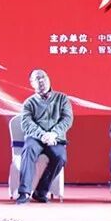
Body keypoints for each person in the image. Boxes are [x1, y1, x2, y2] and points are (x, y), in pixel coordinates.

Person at [15, 69, 73, 204]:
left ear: (48, 78)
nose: (41, 80)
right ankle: (24, 192)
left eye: (43, 77)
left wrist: (53, 133)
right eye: (37, 78)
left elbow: (67, 119)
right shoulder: (29, 103)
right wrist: (42, 135)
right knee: (28, 150)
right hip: (36, 138)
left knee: (60, 157)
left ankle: (40, 192)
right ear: (32, 83)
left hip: (55, 138)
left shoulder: (62, 99)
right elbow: (27, 123)